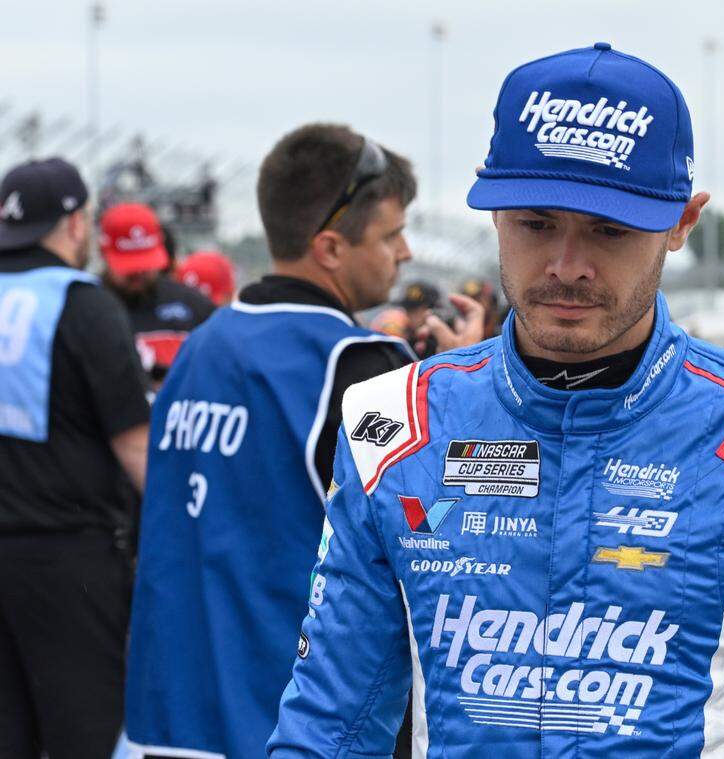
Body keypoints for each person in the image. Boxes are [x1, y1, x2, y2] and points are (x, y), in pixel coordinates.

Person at [270, 43, 724, 758]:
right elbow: (327, 723)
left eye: (609, 229)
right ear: (492, 201)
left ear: (684, 221)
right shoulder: (396, 428)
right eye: (537, 223)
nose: (568, 266)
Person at [123, 124, 483, 759]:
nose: (404, 254)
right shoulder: (360, 364)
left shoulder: (200, 347)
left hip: (171, 720)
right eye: (391, 234)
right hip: (294, 728)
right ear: (330, 248)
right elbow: (449, 521)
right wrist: (474, 393)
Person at [0, 158, 150, 758]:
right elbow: (137, 448)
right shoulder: (83, 305)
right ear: (76, 223)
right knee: (84, 733)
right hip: (70, 559)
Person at [99, 202, 216, 388]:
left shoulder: (195, 307)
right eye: (128, 266)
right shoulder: (86, 309)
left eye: (145, 264)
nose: (138, 273)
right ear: (103, 253)